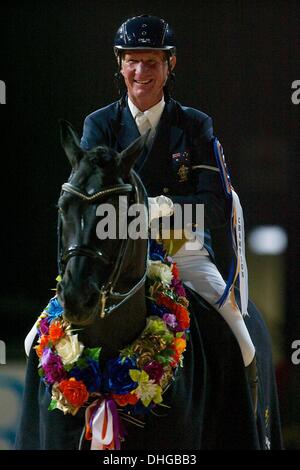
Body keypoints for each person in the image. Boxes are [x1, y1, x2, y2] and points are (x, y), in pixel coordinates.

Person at [80, 15, 255, 369]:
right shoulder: (98, 125)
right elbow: (87, 207)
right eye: (132, 61)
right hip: (114, 252)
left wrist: (162, 207)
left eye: (151, 62)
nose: (140, 71)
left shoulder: (194, 124)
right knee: (35, 342)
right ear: (120, 63)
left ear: (169, 63)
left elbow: (217, 207)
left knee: (243, 344)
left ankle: (246, 424)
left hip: (182, 249)